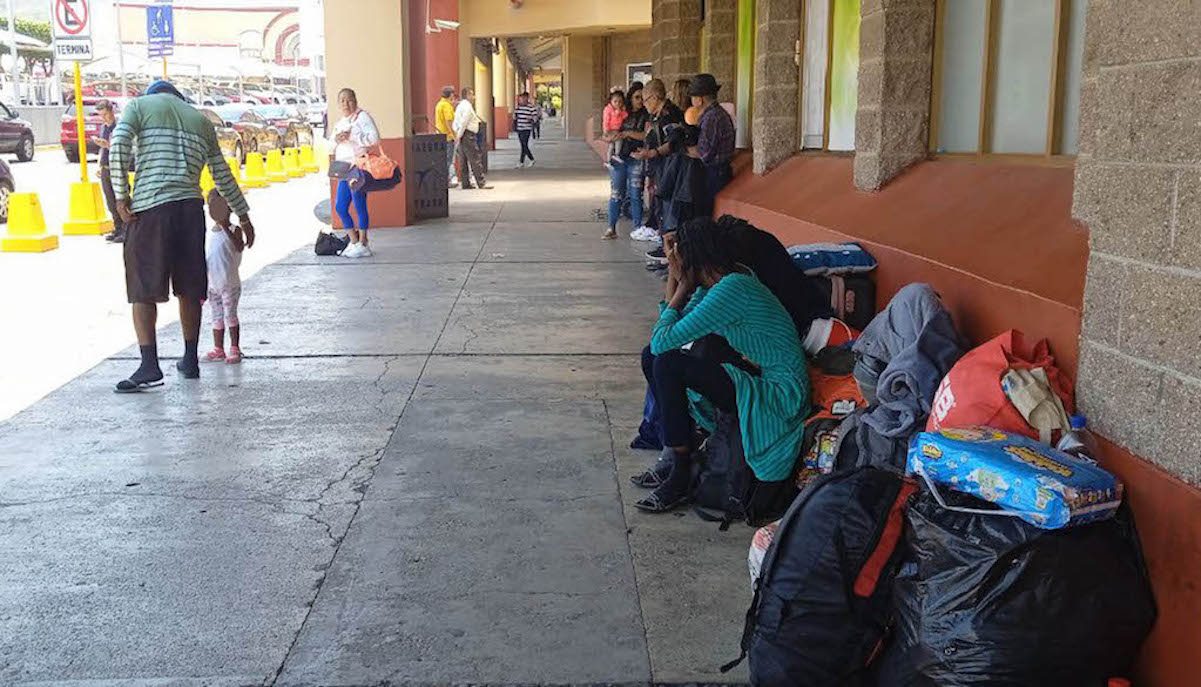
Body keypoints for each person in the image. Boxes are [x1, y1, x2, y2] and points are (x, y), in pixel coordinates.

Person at [632, 218, 809, 512]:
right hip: (756, 373)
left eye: (678, 259)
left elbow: (665, 340)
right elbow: (664, 334)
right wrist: (677, 281)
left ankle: (680, 473)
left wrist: (680, 283)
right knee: (653, 357)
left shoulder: (733, 290)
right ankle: (677, 454)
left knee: (666, 364)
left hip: (779, 390)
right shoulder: (724, 281)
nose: (673, 264)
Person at [109, 80, 254, 393]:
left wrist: (121, 196)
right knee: (189, 287)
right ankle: (190, 360)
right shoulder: (199, 119)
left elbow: (119, 142)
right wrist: (243, 215)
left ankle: (149, 364)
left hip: (150, 209)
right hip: (190, 210)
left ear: (154, 97)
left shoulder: (139, 106)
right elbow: (222, 173)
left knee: (143, 288)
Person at [330, 88, 379, 258]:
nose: (346, 104)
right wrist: (337, 140)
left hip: (357, 166)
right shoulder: (340, 122)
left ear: (355, 100)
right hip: (343, 167)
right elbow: (330, 144)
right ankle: (354, 241)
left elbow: (374, 138)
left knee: (359, 203)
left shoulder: (362, 117)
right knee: (340, 206)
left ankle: (364, 243)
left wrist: (353, 137)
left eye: (349, 100)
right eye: (342, 100)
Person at [632, 79, 683, 237]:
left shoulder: (669, 114)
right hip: (658, 167)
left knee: (665, 204)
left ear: (655, 97)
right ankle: (659, 234)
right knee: (658, 202)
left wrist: (652, 152)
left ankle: (664, 241)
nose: (645, 105)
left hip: (668, 166)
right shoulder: (657, 115)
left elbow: (673, 143)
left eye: (646, 100)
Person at [201, 188, 245, 365]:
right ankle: (218, 348)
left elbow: (239, 246)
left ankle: (234, 347)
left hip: (230, 283)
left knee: (230, 315)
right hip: (213, 284)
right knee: (216, 316)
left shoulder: (235, 230)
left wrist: (225, 226)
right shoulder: (209, 233)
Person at [603, 87, 650, 240]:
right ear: (630, 98)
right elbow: (608, 130)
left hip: (636, 157)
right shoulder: (621, 112)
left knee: (636, 194)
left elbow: (645, 135)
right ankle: (611, 227)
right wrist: (609, 137)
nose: (640, 101)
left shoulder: (647, 115)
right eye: (637, 97)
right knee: (616, 193)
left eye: (642, 97)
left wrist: (627, 133)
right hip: (619, 158)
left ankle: (637, 227)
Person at [687, 73, 736, 219]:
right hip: (717, 172)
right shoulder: (716, 114)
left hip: (714, 173)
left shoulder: (712, 117)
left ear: (700, 99)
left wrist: (684, 150)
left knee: (705, 216)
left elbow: (704, 153)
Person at [94, 100, 125, 243]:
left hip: (116, 167)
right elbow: (102, 149)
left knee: (120, 199)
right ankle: (117, 227)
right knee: (110, 201)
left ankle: (126, 229)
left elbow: (122, 147)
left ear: (111, 112)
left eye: (105, 115)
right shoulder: (103, 128)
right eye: (101, 115)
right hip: (106, 167)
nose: (103, 118)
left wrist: (107, 145)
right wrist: (99, 164)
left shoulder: (119, 127)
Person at [453, 86, 490, 190]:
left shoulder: (460, 106)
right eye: (472, 94)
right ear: (468, 95)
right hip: (468, 135)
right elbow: (464, 122)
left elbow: (456, 121)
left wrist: (457, 134)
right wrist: (459, 135)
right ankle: (481, 182)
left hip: (462, 135)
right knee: (475, 159)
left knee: (463, 160)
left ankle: (466, 183)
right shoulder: (467, 107)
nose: (474, 97)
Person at [434, 85, 459, 188]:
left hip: (440, 135)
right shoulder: (447, 106)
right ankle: (449, 179)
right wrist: (453, 134)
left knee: (443, 159)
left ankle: (443, 180)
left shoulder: (439, 104)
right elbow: (449, 121)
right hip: (448, 137)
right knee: (449, 160)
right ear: (451, 94)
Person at [513, 91, 540, 168]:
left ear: (527, 98)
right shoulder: (518, 107)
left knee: (524, 145)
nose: (522, 99)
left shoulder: (531, 107)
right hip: (519, 128)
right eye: (521, 98)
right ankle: (522, 162)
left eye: (524, 98)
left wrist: (530, 119)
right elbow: (515, 116)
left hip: (527, 128)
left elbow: (535, 118)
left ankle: (531, 159)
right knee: (523, 145)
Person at [602, 89, 628, 167]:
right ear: (611, 101)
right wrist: (606, 130)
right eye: (615, 101)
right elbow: (606, 120)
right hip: (610, 130)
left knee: (614, 144)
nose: (618, 103)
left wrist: (622, 111)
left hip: (617, 129)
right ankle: (613, 157)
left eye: (620, 102)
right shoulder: (608, 109)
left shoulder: (620, 110)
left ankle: (612, 159)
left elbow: (625, 115)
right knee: (615, 142)